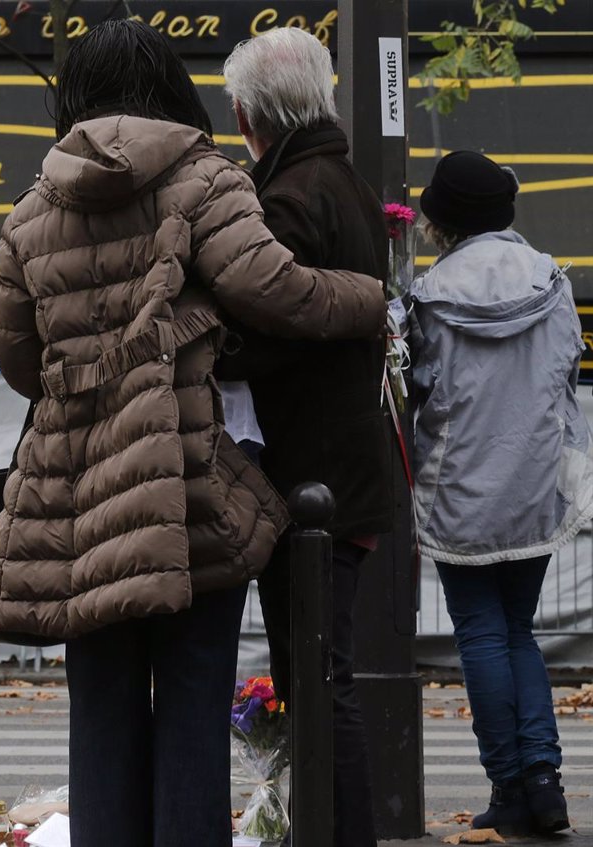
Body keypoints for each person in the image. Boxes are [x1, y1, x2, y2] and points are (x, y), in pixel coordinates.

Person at [0, 20, 386, 847]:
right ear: (172, 87)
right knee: (196, 684)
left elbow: (17, 360)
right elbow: (280, 292)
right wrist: (375, 298)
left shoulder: (30, 211)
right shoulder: (208, 182)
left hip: (74, 489)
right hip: (185, 480)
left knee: (100, 693)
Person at [215, 27, 395, 847]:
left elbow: (273, 331)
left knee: (317, 678)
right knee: (319, 674)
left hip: (309, 474)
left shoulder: (287, 198)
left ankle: (337, 833)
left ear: (251, 114)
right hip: (347, 467)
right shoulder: (343, 181)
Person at [409, 150, 593, 836]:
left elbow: (419, 392)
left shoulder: (430, 295)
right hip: (536, 481)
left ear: (444, 220)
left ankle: (511, 784)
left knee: (481, 631)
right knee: (519, 628)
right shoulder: (552, 280)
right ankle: (544, 781)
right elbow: (564, 373)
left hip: (461, 486)